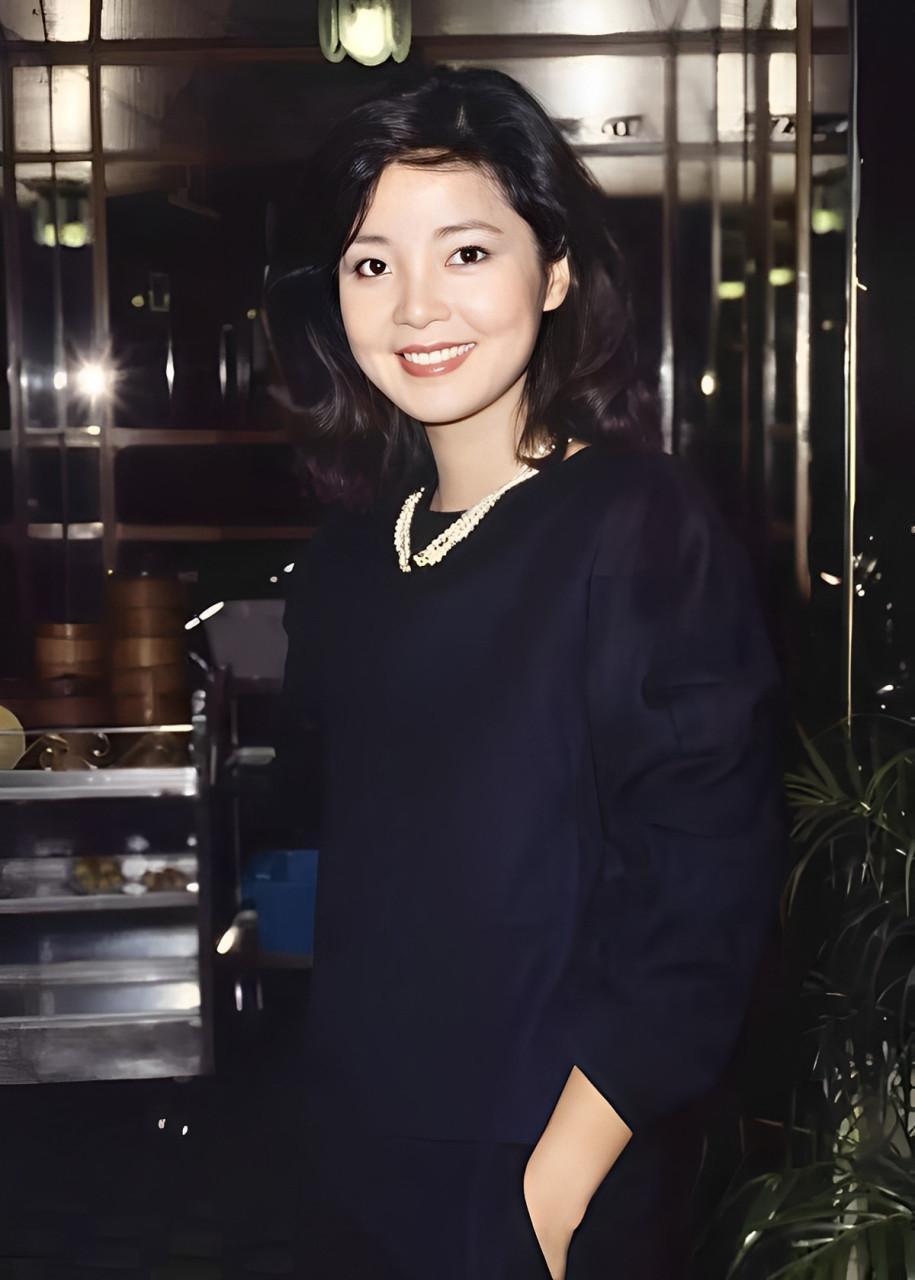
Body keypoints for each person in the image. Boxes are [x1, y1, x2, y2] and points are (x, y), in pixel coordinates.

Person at [265, 65, 787, 1280]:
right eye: (370, 263)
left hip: (541, 1167)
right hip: (355, 1149)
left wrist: (547, 1196)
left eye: (466, 251)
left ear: (552, 271)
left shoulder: (635, 523)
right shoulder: (348, 558)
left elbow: (703, 887)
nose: (415, 306)